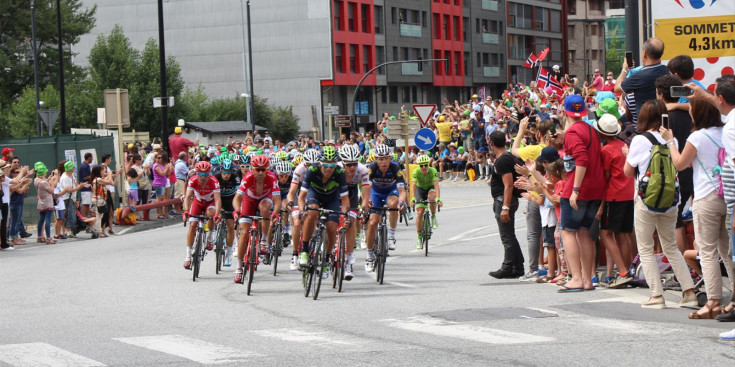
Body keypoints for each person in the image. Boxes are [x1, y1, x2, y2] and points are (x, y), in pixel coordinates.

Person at [663, 99, 734, 318]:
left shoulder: (697, 136)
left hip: (706, 195)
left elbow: (680, 164)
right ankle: (733, 298)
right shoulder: (727, 131)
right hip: (727, 193)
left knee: (708, 250)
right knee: (727, 251)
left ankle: (712, 300)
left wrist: (671, 142)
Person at [623, 99, 696, 309]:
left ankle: (656, 295)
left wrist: (628, 156)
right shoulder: (671, 140)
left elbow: (628, 172)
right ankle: (689, 292)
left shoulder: (639, 140)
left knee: (645, 248)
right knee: (671, 246)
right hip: (672, 200)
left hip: (646, 201)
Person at [557, 94, 605, 292]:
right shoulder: (592, 130)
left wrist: (575, 190)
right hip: (596, 187)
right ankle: (586, 278)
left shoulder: (572, 132)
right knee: (585, 233)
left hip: (579, 188)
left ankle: (576, 277)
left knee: (568, 232)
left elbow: (581, 160)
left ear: (565, 111)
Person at [594, 114, 635, 288]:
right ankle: (626, 271)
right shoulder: (624, 145)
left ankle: (623, 271)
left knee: (605, 233)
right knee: (622, 233)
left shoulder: (606, 150)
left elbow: (606, 177)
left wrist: (601, 205)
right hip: (629, 193)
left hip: (614, 195)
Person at [297, 146, 351, 279]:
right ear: (320, 163)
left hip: (331, 198)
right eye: (325, 165)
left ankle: (326, 259)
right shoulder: (312, 169)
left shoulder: (339, 172)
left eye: (332, 165)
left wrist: (345, 216)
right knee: (312, 212)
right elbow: (301, 196)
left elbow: (344, 200)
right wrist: (302, 210)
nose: (328, 169)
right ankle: (304, 251)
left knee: (332, 227)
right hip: (314, 194)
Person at [656, 74, 694, 255]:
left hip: (673, 172)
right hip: (693, 171)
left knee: (675, 221)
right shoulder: (691, 113)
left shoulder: (663, 119)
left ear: (661, 94)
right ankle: (689, 264)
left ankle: (681, 265)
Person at [232, 155, 280, 283]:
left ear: (267, 169)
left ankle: (264, 239)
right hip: (249, 199)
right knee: (244, 232)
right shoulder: (248, 177)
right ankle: (239, 267)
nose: (259, 172)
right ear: (252, 168)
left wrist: (275, 213)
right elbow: (237, 198)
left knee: (265, 208)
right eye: (257, 169)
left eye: (263, 169)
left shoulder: (271, 177)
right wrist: (237, 210)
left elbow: (277, 200)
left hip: (265, 197)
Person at [364, 144, 407, 272]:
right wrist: (369, 201)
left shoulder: (395, 168)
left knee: (394, 204)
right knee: (373, 222)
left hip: (391, 191)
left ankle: (392, 236)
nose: (383, 162)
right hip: (375, 193)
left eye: (386, 158)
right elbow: (366, 189)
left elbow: (402, 190)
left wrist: (401, 202)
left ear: (390, 158)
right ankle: (369, 255)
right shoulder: (371, 169)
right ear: (376, 159)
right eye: (380, 159)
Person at [487, 131, 524, 279]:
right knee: (510, 235)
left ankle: (507, 266)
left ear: (492, 143)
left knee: (506, 236)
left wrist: (505, 207)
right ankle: (518, 266)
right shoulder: (504, 158)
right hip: (504, 199)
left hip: (504, 200)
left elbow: (508, 185)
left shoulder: (503, 160)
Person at [338, 145, 371, 280]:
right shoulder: (337, 169)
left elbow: (365, 193)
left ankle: (348, 260)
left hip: (352, 192)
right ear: (343, 163)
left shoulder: (363, 170)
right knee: (333, 219)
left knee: (351, 222)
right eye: (349, 164)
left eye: (354, 164)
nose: (352, 167)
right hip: (336, 191)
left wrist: (363, 209)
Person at [182, 161, 222, 270]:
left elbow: (218, 200)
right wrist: (186, 210)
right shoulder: (193, 180)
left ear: (209, 174)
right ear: (196, 173)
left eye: (205, 175)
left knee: (210, 213)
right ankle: (188, 256)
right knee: (193, 224)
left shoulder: (214, 181)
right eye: (200, 174)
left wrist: (217, 214)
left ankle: (210, 236)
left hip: (210, 202)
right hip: (198, 202)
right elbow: (188, 197)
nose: (203, 177)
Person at [615, 38, 669, 118]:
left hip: (645, 122)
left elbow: (617, 88)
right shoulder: (668, 71)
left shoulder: (638, 76)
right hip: (665, 120)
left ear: (644, 53)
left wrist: (624, 69)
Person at [286, 149, 320, 270]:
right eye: (307, 165)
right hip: (300, 196)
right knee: (297, 223)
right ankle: (295, 253)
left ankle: (316, 247)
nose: (310, 168)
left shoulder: (322, 170)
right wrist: (290, 202)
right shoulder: (299, 170)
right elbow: (292, 191)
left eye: (313, 165)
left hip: (315, 195)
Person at [411, 155, 442, 248]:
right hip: (420, 189)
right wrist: (412, 197)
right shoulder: (416, 171)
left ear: (428, 164)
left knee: (432, 198)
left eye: (425, 165)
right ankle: (419, 238)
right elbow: (413, 185)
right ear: (418, 166)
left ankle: (433, 216)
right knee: (420, 212)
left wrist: (438, 198)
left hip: (430, 188)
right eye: (421, 166)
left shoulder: (433, 171)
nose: (424, 167)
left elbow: (436, 185)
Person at [214, 158, 240, 267]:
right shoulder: (216, 177)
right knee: (215, 214)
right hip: (218, 199)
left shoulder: (236, 178)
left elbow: (239, 194)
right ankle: (216, 233)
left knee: (230, 226)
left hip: (230, 200)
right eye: (224, 172)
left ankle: (229, 254)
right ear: (221, 170)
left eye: (228, 173)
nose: (226, 175)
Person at [59, 161, 89, 238]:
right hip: (67, 199)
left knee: (72, 215)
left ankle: (70, 231)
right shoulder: (64, 177)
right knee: (68, 215)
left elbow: (75, 184)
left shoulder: (72, 175)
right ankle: (67, 231)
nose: (74, 168)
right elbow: (69, 190)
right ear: (69, 168)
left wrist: (82, 185)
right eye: (72, 167)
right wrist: (80, 187)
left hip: (72, 198)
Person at [34, 162, 58, 244]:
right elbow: (51, 190)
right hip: (47, 202)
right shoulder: (44, 183)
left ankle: (39, 236)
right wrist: (51, 182)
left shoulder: (36, 180)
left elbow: (43, 183)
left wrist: (48, 178)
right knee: (48, 220)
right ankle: (48, 237)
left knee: (41, 220)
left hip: (41, 202)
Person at [90, 165, 113, 238]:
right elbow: (109, 182)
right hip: (99, 199)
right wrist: (110, 174)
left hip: (98, 198)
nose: (104, 171)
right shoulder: (98, 179)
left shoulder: (97, 179)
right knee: (99, 216)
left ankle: (97, 231)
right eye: (103, 170)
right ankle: (99, 232)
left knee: (100, 215)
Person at [152, 152, 172, 219]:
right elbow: (162, 174)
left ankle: (161, 213)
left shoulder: (160, 165)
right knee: (160, 198)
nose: (160, 159)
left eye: (161, 158)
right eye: (158, 158)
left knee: (161, 198)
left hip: (162, 183)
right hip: (158, 184)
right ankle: (159, 213)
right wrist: (166, 168)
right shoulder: (156, 166)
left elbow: (166, 174)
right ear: (155, 158)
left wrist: (168, 169)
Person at [78, 153, 94, 218]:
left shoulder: (86, 165)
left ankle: (87, 217)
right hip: (85, 188)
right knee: (85, 204)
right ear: (89, 157)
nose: (92, 159)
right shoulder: (84, 166)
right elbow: (84, 177)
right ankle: (84, 218)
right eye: (92, 157)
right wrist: (92, 176)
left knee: (87, 204)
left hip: (87, 188)